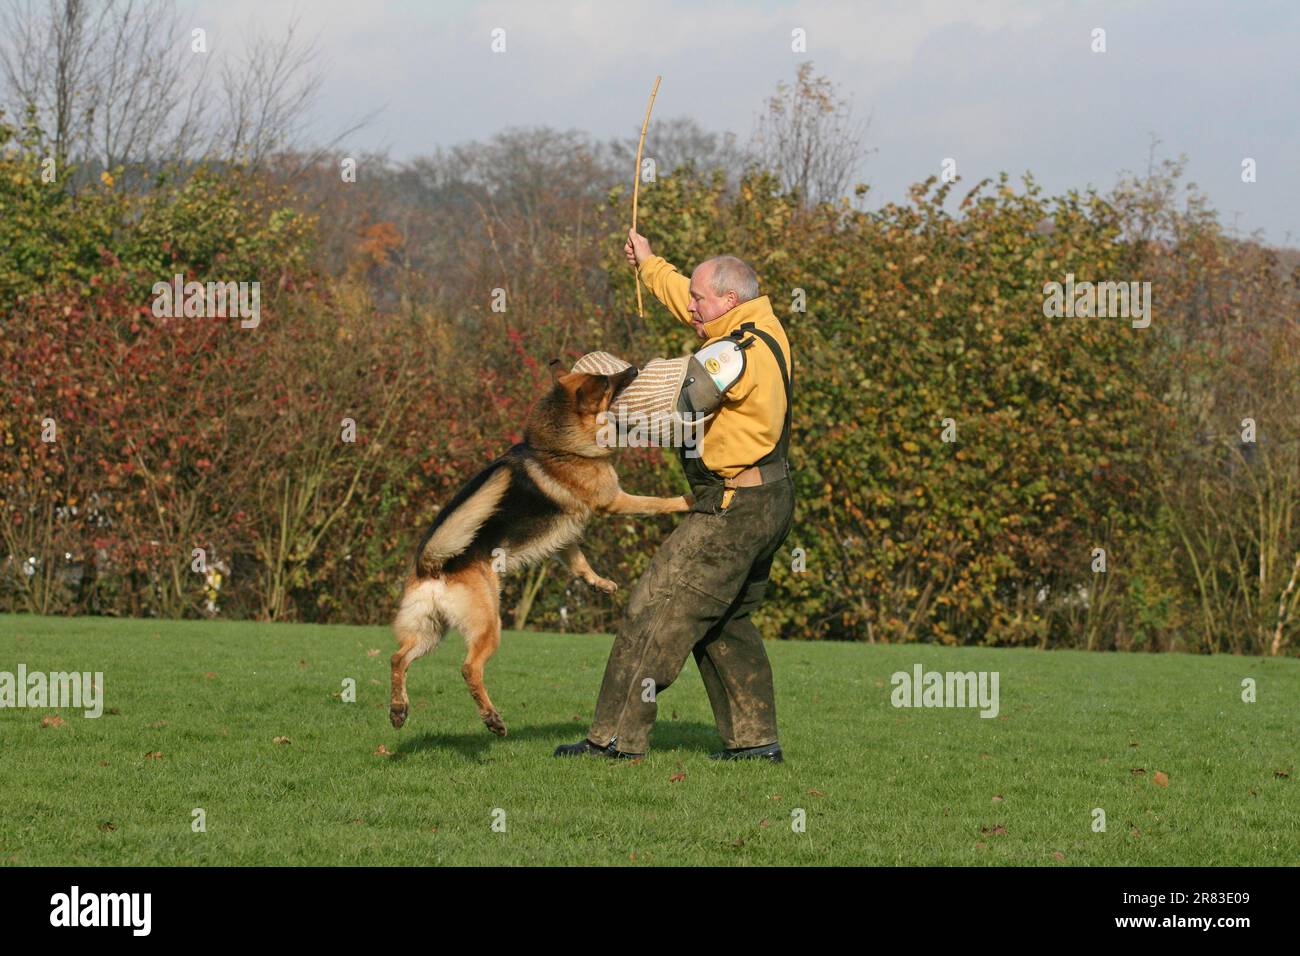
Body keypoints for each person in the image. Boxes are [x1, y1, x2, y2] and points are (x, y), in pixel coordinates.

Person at [554, 228, 795, 762]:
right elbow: (688, 293)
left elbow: (678, 409)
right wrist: (647, 264)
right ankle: (755, 743)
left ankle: (615, 739)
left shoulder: (735, 352)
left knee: (654, 610)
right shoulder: (761, 322)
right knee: (725, 620)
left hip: (734, 507)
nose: (691, 307)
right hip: (772, 497)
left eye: (700, 300)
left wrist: (611, 405)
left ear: (728, 301)